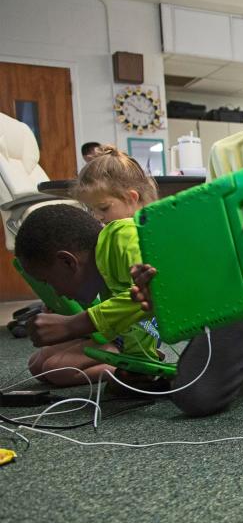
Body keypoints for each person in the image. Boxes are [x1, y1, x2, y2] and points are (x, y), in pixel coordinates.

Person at [24, 151, 160, 387]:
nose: (97, 217)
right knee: (39, 365)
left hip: (134, 335)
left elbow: (144, 297)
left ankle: (136, 369)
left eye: (104, 208)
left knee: (56, 369)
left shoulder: (124, 232)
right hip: (118, 328)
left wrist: (75, 323)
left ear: (132, 198)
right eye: (91, 211)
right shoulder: (112, 236)